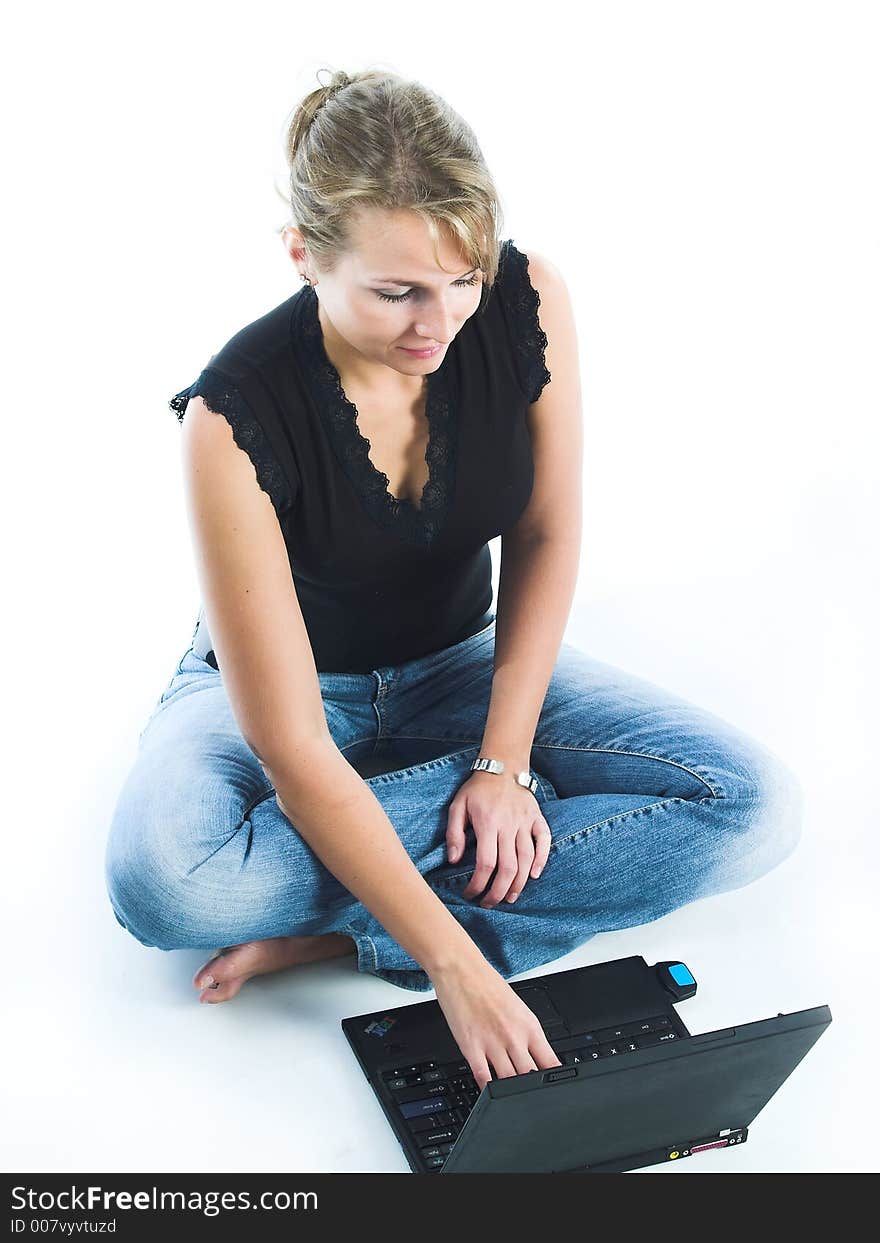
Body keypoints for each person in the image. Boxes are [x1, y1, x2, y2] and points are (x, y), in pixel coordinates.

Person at [105, 67, 803, 1093]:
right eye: (396, 292)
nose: (439, 321)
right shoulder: (230, 415)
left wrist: (504, 760)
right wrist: (455, 963)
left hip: (459, 668)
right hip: (289, 698)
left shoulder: (530, 299)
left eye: (462, 279)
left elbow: (547, 529)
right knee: (168, 881)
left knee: (752, 805)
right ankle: (446, 884)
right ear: (303, 256)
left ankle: (340, 934)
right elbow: (292, 742)